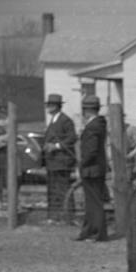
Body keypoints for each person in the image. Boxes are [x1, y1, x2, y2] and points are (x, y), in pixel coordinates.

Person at [74, 95, 108, 242]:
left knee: (94, 202)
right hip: (95, 168)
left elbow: (91, 150)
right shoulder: (97, 124)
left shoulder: (93, 126)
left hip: (91, 169)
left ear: (86, 110)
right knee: (91, 202)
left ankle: (98, 233)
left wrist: (81, 163)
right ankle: (88, 231)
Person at [42, 93, 77, 221]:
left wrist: (56, 146)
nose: (49, 107)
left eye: (51, 105)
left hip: (62, 160)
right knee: (52, 189)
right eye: (48, 105)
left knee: (63, 188)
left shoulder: (65, 120)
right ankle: (54, 215)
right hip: (52, 161)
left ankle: (68, 215)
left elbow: (72, 137)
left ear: (57, 106)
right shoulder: (53, 120)